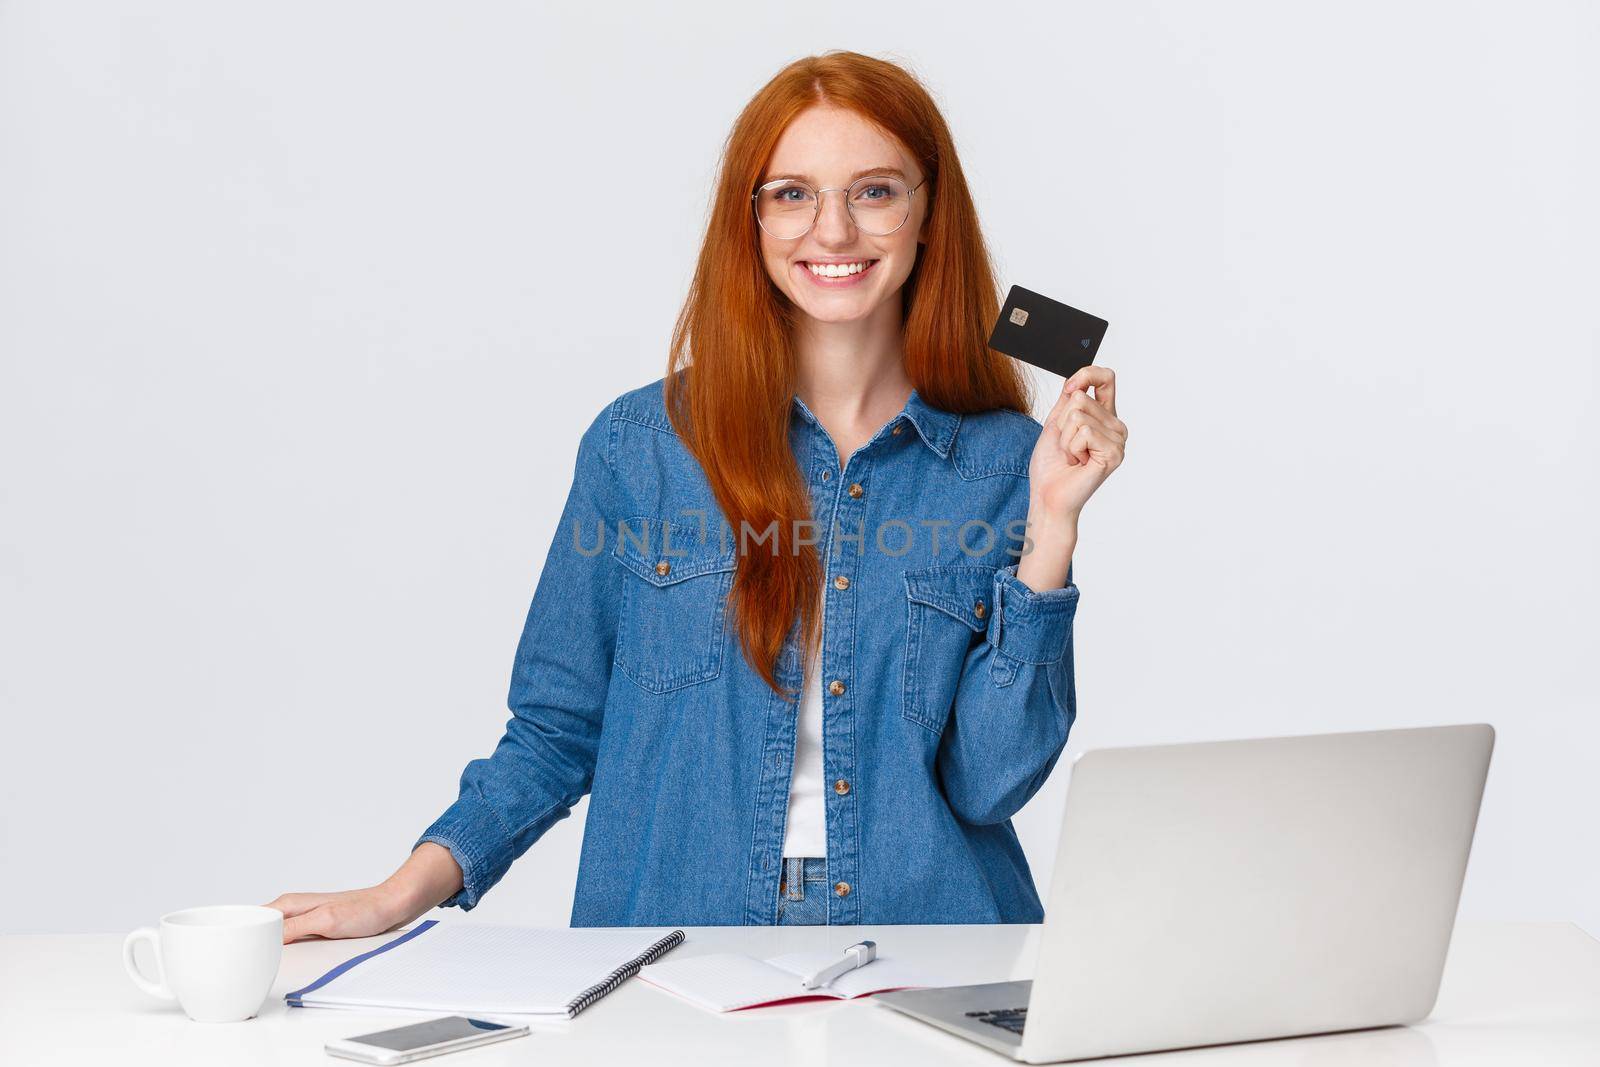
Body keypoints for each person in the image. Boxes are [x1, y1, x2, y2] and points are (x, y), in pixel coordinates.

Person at [266, 50, 1127, 942]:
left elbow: (991, 782)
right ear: (750, 221)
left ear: (925, 216)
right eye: (792, 194)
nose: (831, 231)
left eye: (873, 191)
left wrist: (1051, 529)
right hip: (677, 952)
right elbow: (558, 729)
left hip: (931, 944)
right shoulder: (640, 448)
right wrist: (401, 891)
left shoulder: (1003, 463)